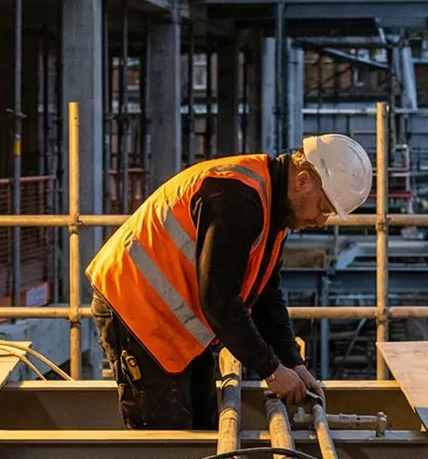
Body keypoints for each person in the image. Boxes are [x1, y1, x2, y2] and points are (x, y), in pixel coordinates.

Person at [87, 136, 374, 429]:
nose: (320, 221)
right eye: (323, 207)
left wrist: (292, 362)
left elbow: (265, 296)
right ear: (302, 180)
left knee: (201, 423)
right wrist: (272, 370)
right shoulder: (237, 197)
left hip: (172, 317)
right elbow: (219, 299)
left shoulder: (271, 208)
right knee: (167, 437)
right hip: (136, 305)